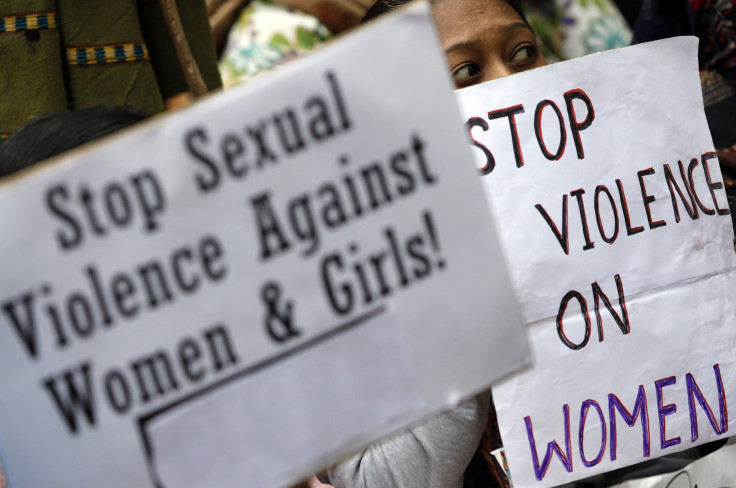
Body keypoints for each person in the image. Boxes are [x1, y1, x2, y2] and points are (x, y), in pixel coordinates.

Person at [314, 2, 546, 488]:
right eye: (465, 71)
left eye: (523, 52)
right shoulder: (345, 278)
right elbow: (375, 480)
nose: (509, 82)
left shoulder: (615, 205)